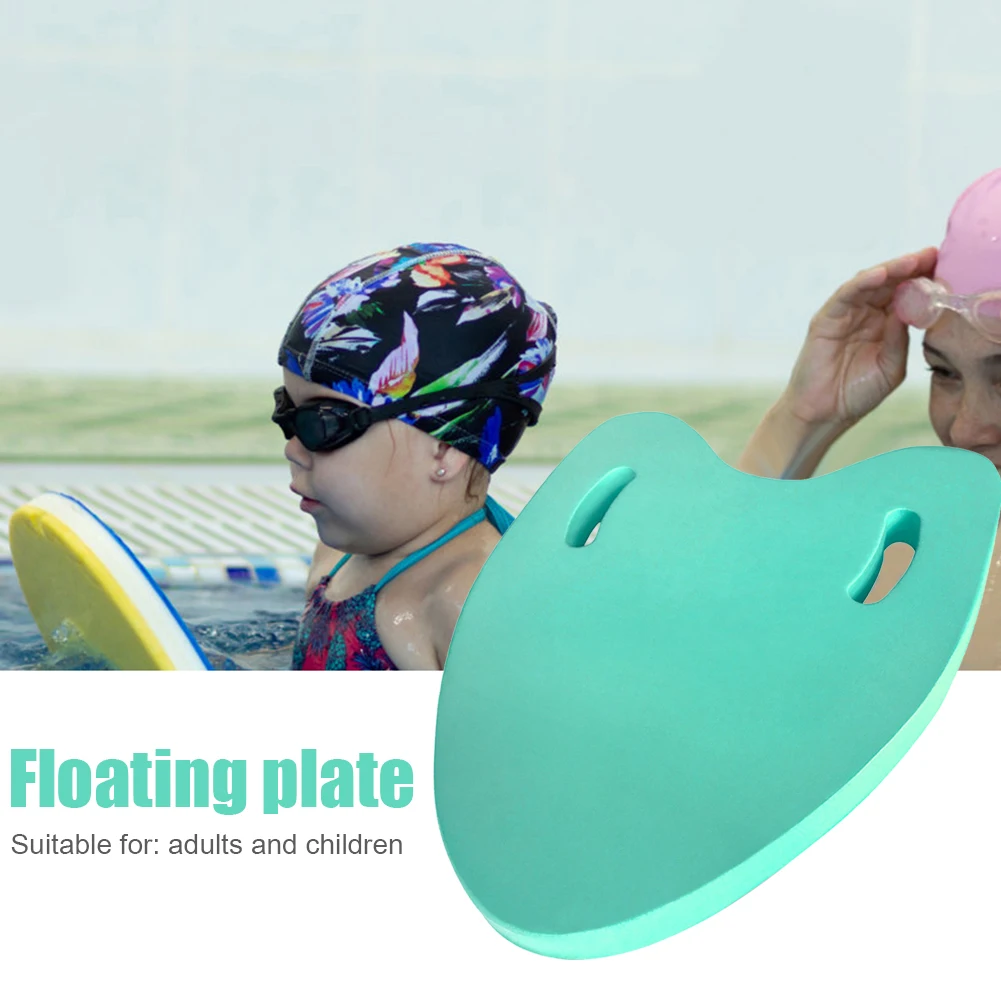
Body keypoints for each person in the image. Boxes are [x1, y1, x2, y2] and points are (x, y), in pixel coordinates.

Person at [738, 168, 1001, 671]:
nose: (966, 430)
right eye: (944, 373)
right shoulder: (902, 564)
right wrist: (805, 417)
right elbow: (703, 625)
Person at [273, 243, 556, 671]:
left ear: (446, 446)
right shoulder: (336, 558)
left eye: (325, 423)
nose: (293, 448)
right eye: (287, 413)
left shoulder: (466, 605)